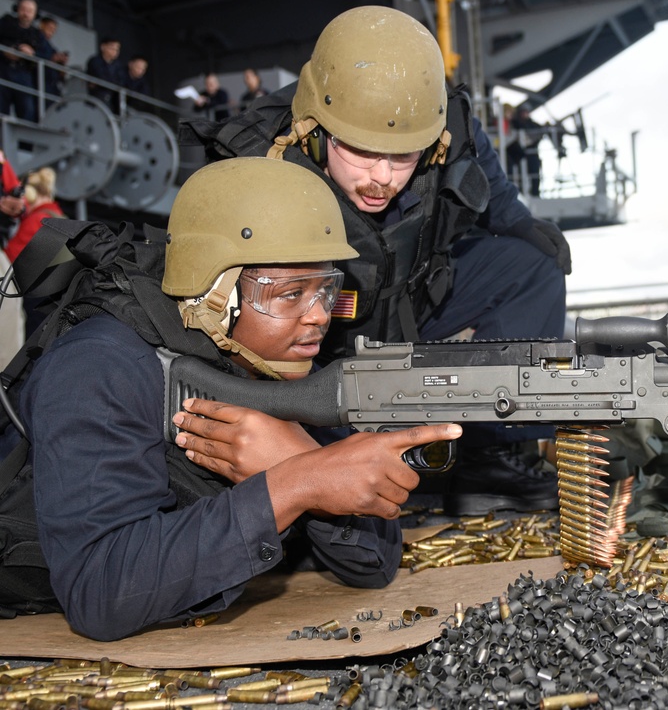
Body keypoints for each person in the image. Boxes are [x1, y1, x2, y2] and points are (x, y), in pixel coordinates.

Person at [4, 156, 461, 639]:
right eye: (289, 294)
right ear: (216, 293)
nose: (318, 317)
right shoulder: (98, 368)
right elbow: (100, 591)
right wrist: (292, 485)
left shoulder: (272, 360)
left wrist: (303, 462)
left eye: (327, 290)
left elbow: (374, 562)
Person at [181, 6, 571, 517]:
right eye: (362, 152)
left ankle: (489, 450)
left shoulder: (439, 121)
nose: (382, 177)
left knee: (530, 266)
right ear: (316, 129)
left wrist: (518, 220)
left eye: (404, 156)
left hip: (414, 301)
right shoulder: (258, 165)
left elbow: (481, 163)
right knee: (352, 490)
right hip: (318, 344)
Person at [3, 166, 64, 336]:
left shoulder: (36, 219)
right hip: (52, 293)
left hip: (34, 295)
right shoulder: (56, 215)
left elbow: (10, 257)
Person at [0, 0, 43, 122]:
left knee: (27, 111)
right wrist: (6, 50)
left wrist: (31, 53)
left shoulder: (36, 34)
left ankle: (25, 141)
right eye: (23, 9)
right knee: (1, 110)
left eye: (30, 11)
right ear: (17, 9)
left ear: (35, 14)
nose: (26, 13)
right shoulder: (6, 23)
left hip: (23, 73)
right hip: (3, 70)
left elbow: (44, 55)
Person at [506, 103, 545, 197]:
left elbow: (540, 134)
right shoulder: (516, 123)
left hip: (532, 154)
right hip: (521, 154)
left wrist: (531, 140)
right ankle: (522, 192)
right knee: (520, 174)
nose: (524, 114)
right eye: (523, 112)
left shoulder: (534, 125)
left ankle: (535, 193)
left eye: (526, 112)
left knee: (535, 174)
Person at [85, 36, 125, 113]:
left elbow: (121, 82)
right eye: (112, 48)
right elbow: (100, 78)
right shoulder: (94, 61)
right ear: (103, 47)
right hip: (96, 98)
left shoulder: (118, 66)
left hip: (112, 101)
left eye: (117, 49)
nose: (115, 51)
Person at [35, 15, 67, 101]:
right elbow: (33, 55)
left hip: (50, 85)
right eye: (50, 28)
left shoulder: (51, 47)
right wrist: (52, 58)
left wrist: (62, 65)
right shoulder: (34, 38)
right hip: (38, 82)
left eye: (53, 30)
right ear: (42, 25)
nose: (51, 32)